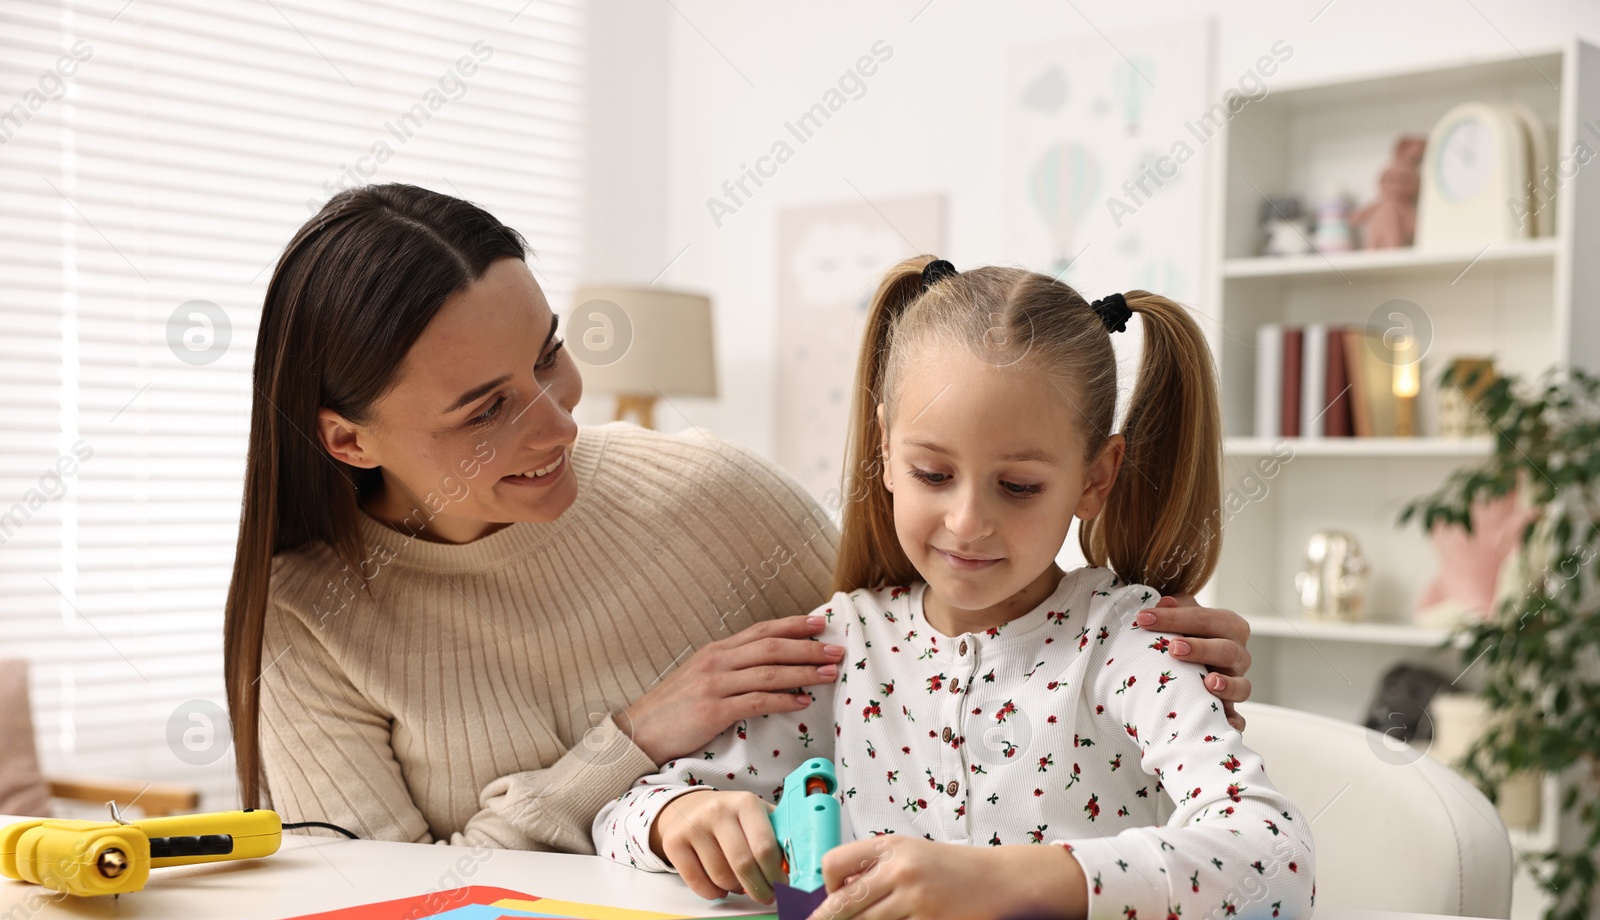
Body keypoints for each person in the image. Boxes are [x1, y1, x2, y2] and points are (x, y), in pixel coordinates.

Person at [223, 185, 1256, 853]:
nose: (557, 420)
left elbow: (931, 641)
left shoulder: (709, 495)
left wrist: (1147, 645)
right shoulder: (310, 616)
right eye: (485, 408)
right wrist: (634, 748)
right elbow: (382, 918)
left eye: (547, 353)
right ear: (349, 439)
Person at [594, 258, 1314, 920]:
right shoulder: (844, 645)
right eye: (933, 472)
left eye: (1019, 485)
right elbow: (619, 815)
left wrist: (1003, 883)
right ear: (884, 448)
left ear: (1096, 478)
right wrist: (675, 816)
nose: (968, 521)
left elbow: (1275, 858)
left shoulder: (1130, 642)